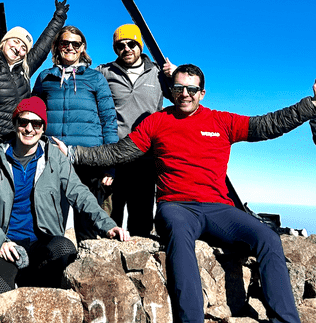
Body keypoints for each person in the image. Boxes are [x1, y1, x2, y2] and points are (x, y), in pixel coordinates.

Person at [66, 64, 316, 323]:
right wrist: (74, 153)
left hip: (218, 208)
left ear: (202, 93)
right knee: (181, 241)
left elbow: (267, 125)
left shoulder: (221, 121)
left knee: (268, 238)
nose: (185, 94)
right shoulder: (157, 121)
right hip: (176, 206)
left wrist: (310, 106)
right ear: (171, 91)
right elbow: (117, 152)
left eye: (192, 89)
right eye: (178, 88)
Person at [0, 97, 129, 302]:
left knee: (65, 249)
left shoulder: (55, 157)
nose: (29, 129)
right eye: (23, 122)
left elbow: (80, 194)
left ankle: (33, 284)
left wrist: (108, 225)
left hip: (43, 243)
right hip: (8, 245)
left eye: (36, 123)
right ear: (15, 124)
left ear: (43, 128)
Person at [32, 25, 118, 241]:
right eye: (64, 43)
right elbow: (34, 116)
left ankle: (87, 273)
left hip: (89, 161)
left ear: (82, 48)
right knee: (51, 225)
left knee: (87, 227)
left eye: (75, 44)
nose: (70, 47)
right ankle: (53, 271)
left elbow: (109, 121)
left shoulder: (95, 78)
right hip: (53, 159)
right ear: (57, 47)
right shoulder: (45, 78)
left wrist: (110, 165)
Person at [97, 24, 175, 237]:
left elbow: (184, 97)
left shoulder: (158, 74)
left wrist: (176, 75)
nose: (127, 49)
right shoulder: (104, 72)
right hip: (114, 157)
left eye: (132, 44)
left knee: (141, 221)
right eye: (120, 46)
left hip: (145, 158)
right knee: (109, 219)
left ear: (140, 46)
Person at [0, 0, 69, 160]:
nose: (18, 49)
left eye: (24, 48)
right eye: (16, 41)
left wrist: (58, 18)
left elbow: (43, 47)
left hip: (21, 144)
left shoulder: (24, 70)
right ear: (5, 41)